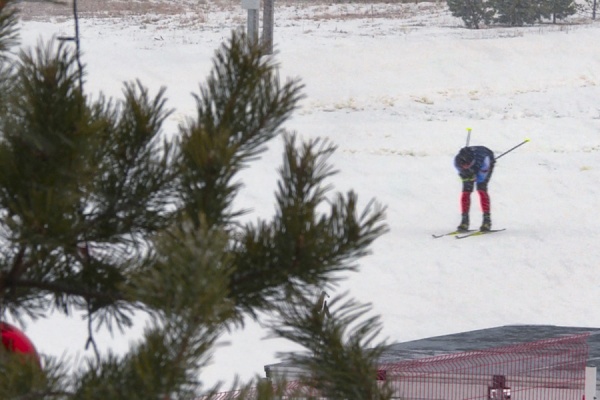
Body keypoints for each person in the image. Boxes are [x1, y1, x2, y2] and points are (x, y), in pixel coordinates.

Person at [454, 146, 495, 232]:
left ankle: (487, 221)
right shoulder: (457, 161)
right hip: (474, 165)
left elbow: (481, 178)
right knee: (466, 192)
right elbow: (461, 172)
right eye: (463, 165)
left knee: (481, 189)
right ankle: (464, 221)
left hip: (485, 161)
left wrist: (475, 177)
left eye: (468, 164)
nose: (465, 166)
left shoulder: (484, 160)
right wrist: (465, 175)